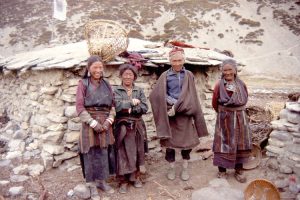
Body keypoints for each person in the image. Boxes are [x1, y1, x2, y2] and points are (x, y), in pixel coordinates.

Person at [149, 47, 208, 181]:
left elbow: (191, 94)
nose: (177, 63)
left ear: (184, 60)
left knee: (186, 145)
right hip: (170, 115)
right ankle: (171, 169)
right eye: (174, 60)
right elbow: (157, 94)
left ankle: (185, 168)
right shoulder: (165, 76)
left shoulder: (189, 75)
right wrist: (171, 105)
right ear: (170, 61)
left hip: (185, 115)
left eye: (179, 60)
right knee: (170, 145)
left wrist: (180, 106)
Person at [76, 55, 116, 196]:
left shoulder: (107, 84)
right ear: (89, 68)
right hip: (89, 125)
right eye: (95, 67)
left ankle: (101, 181)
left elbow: (113, 106)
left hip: (105, 124)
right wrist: (93, 123)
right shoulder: (83, 84)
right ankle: (92, 185)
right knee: (90, 154)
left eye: (100, 67)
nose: (98, 70)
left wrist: (108, 121)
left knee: (103, 152)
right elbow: (80, 108)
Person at [212, 59, 252, 183]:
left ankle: (239, 170)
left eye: (230, 69)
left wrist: (237, 112)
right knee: (223, 144)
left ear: (235, 70)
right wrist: (224, 113)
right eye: (225, 70)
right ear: (222, 72)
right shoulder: (219, 85)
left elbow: (245, 98)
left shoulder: (241, 84)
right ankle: (222, 171)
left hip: (241, 118)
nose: (228, 72)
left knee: (241, 143)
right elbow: (214, 103)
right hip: (224, 118)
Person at [113, 64, 148, 194]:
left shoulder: (139, 90)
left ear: (134, 77)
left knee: (138, 151)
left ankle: (135, 177)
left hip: (137, 125)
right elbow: (116, 106)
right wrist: (131, 103)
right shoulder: (116, 90)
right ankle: (123, 180)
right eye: (125, 74)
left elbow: (144, 107)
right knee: (122, 153)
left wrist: (132, 109)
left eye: (130, 74)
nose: (128, 76)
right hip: (122, 126)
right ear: (121, 76)